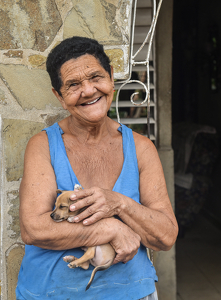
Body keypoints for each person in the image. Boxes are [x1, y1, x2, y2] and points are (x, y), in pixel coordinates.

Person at [16, 36, 178, 300]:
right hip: (51, 293)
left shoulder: (141, 148)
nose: (89, 90)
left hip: (132, 292)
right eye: (73, 85)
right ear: (59, 95)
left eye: (95, 77)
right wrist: (110, 229)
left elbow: (166, 235)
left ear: (111, 77)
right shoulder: (43, 146)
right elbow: (33, 229)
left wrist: (119, 204)